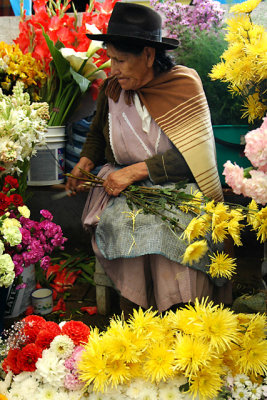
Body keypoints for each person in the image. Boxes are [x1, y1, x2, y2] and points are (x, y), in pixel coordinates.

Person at [66, 2, 232, 317]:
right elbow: (98, 137)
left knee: (178, 227)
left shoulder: (183, 86)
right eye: (110, 58)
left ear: (148, 55)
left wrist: (135, 171)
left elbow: (195, 158)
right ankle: (136, 317)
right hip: (125, 191)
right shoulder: (113, 90)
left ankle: (184, 318)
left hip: (178, 187)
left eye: (120, 60)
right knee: (124, 224)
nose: (112, 69)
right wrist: (84, 162)